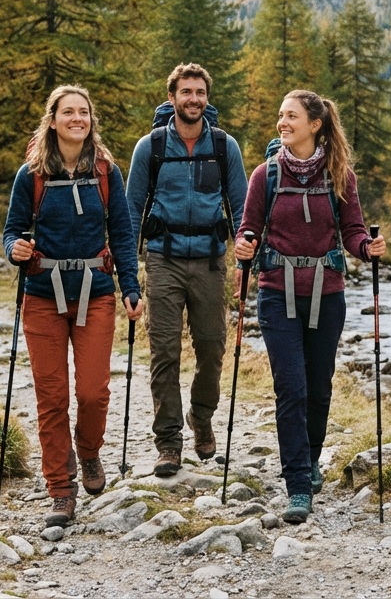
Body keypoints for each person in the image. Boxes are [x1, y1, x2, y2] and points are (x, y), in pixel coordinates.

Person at [234, 90, 385, 523]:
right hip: (276, 293)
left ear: (315, 124)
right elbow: (249, 229)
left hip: (328, 293)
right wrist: (244, 247)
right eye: (280, 115)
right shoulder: (265, 175)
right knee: (292, 390)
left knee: (319, 388)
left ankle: (311, 458)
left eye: (291, 116)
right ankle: (298, 485)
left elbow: (353, 231)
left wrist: (367, 248)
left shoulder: (341, 176)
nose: (282, 122)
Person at [3, 85, 142, 528]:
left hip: (96, 291)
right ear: (54, 119)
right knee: (52, 397)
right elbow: (11, 230)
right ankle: (61, 490)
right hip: (42, 296)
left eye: (83, 112)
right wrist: (16, 250)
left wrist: (131, 287)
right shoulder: (32, 174)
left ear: (90, 120)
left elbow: (121, 231)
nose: (76, 119)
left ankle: (89, 452)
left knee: (93, 392)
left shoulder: (106, 171)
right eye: (68, 112)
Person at [125, 63, 248, 477]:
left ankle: (202, 415)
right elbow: (129, 211)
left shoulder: (224, 146)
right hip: (162, 260)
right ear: (173, 97)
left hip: (212, 261)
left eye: (199, 92)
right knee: (164, 351)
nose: (193, 98)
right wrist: (128, 271)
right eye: (186, 92)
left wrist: (247, 262)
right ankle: (169, 442)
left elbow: (243, 213)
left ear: (206, 98)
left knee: (212, 349)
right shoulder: (151, 147)